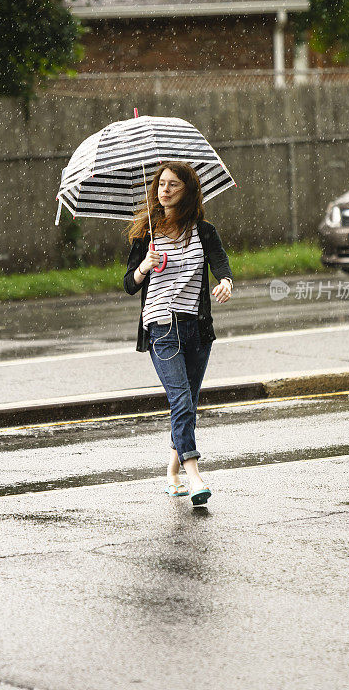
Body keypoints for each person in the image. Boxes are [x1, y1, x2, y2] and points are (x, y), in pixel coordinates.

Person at [123, 161, 233, 506]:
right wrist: (144, 266)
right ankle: (194, 474)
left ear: (187, 191)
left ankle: (171, 472)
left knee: (188, 402)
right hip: (161, 326)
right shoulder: (147, 234)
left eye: (173, 185)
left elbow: (220, 263)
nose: (165, 191)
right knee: (181, 400)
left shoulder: (204, 230)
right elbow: (128, 284)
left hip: (196, 328)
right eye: (161, 185)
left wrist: (225, 282)